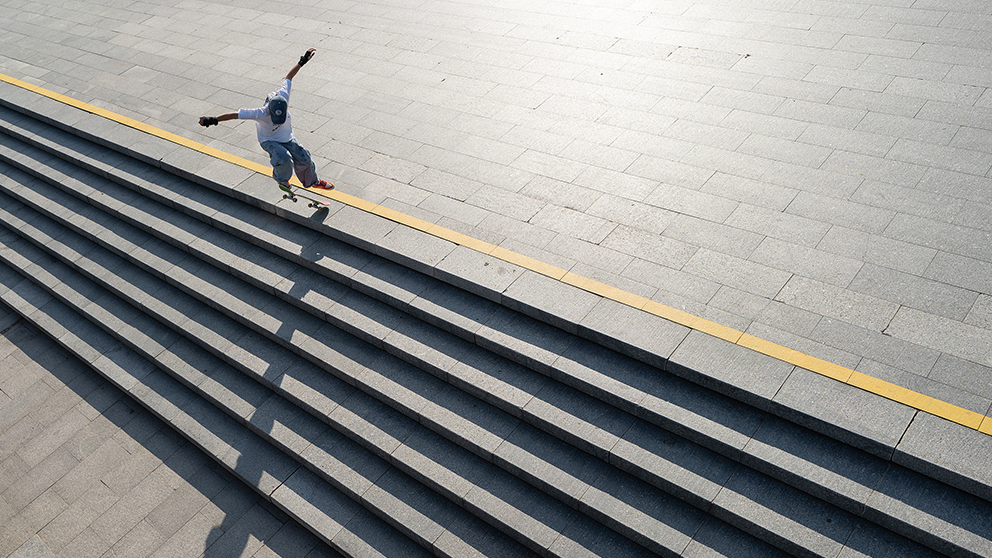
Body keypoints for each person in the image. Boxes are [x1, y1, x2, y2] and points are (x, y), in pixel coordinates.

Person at [198, 48, 333, 194]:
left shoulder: (283, 95)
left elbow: (289, 77)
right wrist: (212, 120)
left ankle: (313, 182)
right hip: (269, 140)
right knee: (284, 158)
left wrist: (302, 61)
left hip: (287, 137)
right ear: (269, 110)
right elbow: (234, 115)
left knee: (305, 157)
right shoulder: (260, 113)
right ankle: (281, 179)